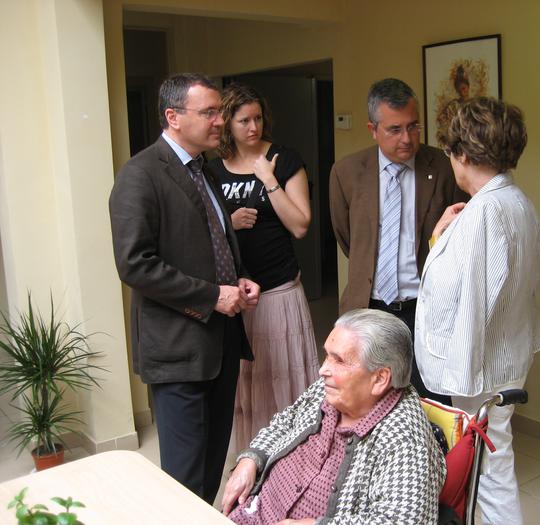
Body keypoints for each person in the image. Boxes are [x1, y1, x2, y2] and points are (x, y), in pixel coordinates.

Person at [109, 73, 260, 504]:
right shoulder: (140, 174)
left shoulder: (203, 170)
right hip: (178, 348)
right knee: (183, 479)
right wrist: (213, 296)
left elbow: (211, 240)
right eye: (209, 112)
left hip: (222, 341)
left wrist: (238, 278)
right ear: (173, 117)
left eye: (220, 112)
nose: (220, 121)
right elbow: (135, 264)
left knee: (211, 467)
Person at [415, 96, 540, 525]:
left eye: (450, 151)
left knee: (488, 469)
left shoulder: (487, 213)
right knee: (494, 459)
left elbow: (469, 301)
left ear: (465, 154)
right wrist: (440, 241)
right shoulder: (516, 201)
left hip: (480, 365)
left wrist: (458, 377)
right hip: (503, 354)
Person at [221, 309, 446, 525]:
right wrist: (251, 459)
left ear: (379, 379)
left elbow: (402, 521)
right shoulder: (330, 389)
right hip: (253, 512)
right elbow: (287, 421)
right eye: (327, 355)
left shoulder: (404, 442)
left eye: (338, 360)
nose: (323, 370)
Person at [329, 78, 466, 403]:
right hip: (370, 308)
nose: (407, 138)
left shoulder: (444, 167)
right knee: (368, 400)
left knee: (431, 400)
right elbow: (348, 239)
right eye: (394, 129)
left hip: (425, 307)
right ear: (373, 129)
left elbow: (460, 233)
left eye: (413, 126)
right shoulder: (347, 172)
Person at [208, 82, 319, 453]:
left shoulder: (284, 160)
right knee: (247, 387)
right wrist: (230, 223)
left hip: (279, 290)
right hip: (236, 296)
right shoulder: (213, 170)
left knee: (285, 383)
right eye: (244, 121)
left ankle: (294, 462)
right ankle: (253, 462)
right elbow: (202, 234)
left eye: (257, 118)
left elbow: (300, 225)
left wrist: (269, 181)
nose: (253, 127)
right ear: (228, 123)